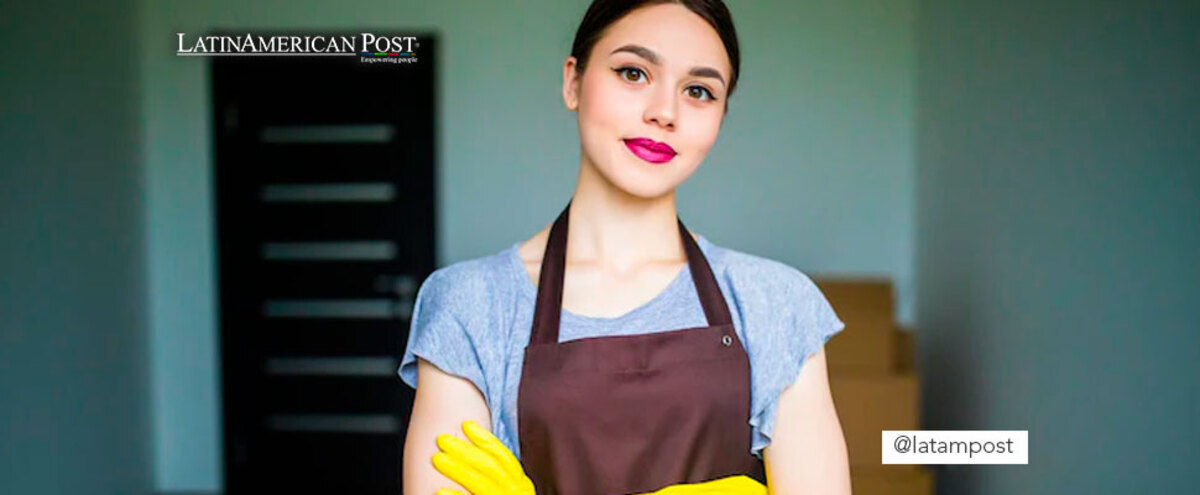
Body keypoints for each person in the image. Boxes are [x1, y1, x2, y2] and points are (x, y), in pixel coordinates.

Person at [399, 1, 852, 493]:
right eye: (633, 72)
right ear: (573, 82)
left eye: (698, 91)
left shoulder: (777, 303)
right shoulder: (471, 304)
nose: (664, 112)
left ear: (721, 115)